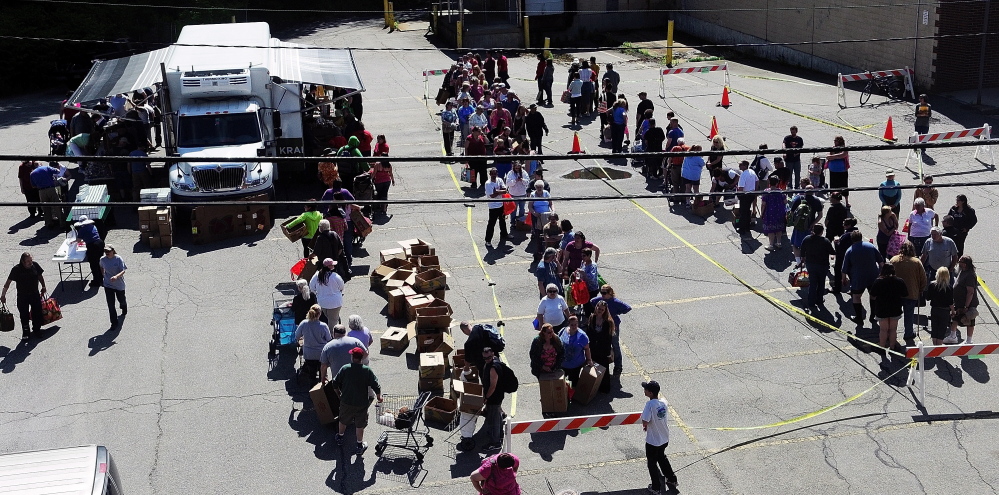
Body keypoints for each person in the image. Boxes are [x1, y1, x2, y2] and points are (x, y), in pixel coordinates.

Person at [331, 347, 382, 453]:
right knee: (360, 423)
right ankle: (359, 445)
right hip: (361, 403)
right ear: (362, 358)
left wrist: (338, 393)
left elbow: (334, 382)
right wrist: (378, 396)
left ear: (352, 357)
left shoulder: (345, 368)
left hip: (346, 401)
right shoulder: (366, 370)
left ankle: (340, 437)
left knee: (343, 419)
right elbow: (375, 384)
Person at [641, 380, 678, 494]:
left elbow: (645, 420)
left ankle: (656, 487)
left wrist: (645, 425)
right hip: (664, 438)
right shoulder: (663, 402)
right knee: (662, 458)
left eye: (646, 389)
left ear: (650, 393)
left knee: (652, 463)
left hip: (653, 441)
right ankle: (672, 479)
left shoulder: (650, 404)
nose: (644, 390)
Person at [842, 231, 885, 326]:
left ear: (852, 239)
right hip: (873, 276)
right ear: (861, 237)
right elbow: (881, 262)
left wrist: (843, 279)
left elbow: (844, 268)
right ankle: (873, 316)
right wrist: (881, 274)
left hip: (858, 278)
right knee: (873, 296)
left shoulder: (850, 250)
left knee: (856, 297)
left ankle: (859, 318)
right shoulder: (871, 246)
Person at [1, 252, 47, 340]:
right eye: (28, 261)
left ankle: (37, 330)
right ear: (22, 261)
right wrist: (3, 295)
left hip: (34, 294)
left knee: (37, 313)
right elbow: (7, 283)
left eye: (31, 260)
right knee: (24, 315)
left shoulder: (35, 265)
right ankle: (26, 332)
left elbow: (40, 276)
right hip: (23, 296)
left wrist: (43, 286)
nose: (30, 263)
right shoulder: (16, 269)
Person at [589, 284, 631, 374]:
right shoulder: (600, 301)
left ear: (610, 293)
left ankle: (618, 366)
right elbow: (592, 301)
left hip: (613, 326)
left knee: (615, 346)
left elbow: (627, 308)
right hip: (603, 327)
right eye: (601, 292)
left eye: (604, 293)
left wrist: (616, 313)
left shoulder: (615, 301)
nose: (602, 294)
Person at [890, 241, 927, 343]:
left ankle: (893, 333)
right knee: (909, 315)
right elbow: (923, 278)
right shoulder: (916, 262)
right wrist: (920, 289)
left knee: (894, 316)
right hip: (911, 293)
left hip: (895, 294)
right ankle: (908, 334)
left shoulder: (894, 260)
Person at [869, 263, 909, 357]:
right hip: (895, 308)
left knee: (883, 330)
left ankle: (882, 348)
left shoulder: (878, 281)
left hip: (882, 309)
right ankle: (892, 347)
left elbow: (872, 296)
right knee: (893, 329)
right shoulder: (899, 281)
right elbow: (905, 294)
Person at [798, 224, 835, 309]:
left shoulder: (807, 239)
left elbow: (802, 250)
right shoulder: (825, 241)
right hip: (823, 265)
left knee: (812, 283)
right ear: (822, 232)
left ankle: (811, 301)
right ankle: (819, 300)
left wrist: (802, 260)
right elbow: (832, 252)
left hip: (811, 265)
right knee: (821, 283)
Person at [945, 256, 980, 344]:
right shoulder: (962, 271)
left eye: (960, 261)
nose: (958, 263)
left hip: (968, 304)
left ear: (965, 264)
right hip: (959, 302)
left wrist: (966, 306)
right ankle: (953, 336)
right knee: (955, 319)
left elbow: (970, 292)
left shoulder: (970, 275)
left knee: (970, 320)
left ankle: (969, 340)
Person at [479, 346, 507, 451]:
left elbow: (493, 386)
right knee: (497, 416)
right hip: (497, 395)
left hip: (494, 396)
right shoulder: (493, 362)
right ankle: (499, 433)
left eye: (489, 357)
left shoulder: (493, 368)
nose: (487, 359)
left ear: (493, 354)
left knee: (493, 419)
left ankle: (495, 443)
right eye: (485, 358)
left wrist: (486, 397)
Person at [788, 183, 824, 264]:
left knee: (795, 244)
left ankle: (798, 261)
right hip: (809, 226)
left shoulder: (799, 199)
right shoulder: (816, 200)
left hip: (799, 226)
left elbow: (792, 212)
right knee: (808, 245)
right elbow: (820, 215)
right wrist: (813, 224)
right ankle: (807, 261)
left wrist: (795, 221)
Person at [295, 304, 332, 382]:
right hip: (321, 354)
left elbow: (297, 335)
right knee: (322, 373)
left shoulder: (304, 323)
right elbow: (329, 339)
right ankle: (322, 387)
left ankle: (312, 389)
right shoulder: (323, 326)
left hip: (309, 354)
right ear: (320, 314)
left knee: (312, 374)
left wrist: (302, 339)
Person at [586, 300, 615, 393]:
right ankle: (594, 386)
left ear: (605, 311)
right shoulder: (592, 317)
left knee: (604, 368)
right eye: (599, 308)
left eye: (602, 310)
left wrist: (607, 352)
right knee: (593, 367)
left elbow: (609, 338)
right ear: (596, 307)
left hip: (603, 349)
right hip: (593, 347)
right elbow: (589, 331)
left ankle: (604, 388)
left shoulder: (608, 322)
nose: (600, 311)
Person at [98, 244, 127, 327]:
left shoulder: (118, 259)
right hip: (108, 285)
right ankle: (114, 323)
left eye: (108, 251)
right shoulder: (102, 259)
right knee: (111, 305)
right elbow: (101, 266)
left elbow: (123, 270)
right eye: (105, 251)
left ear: (113, 251)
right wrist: (103, 275)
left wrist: (116, 276)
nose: (107, 252)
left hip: (119, 284)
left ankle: (124, 307)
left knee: (121, 300)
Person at [309, 258, 345, 325]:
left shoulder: (317, 275)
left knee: (326, 318)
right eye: (332, 265)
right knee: (333, 320)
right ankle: (332, 334)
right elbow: (342, 287)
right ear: (329, 266)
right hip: (335, 303)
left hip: (322, 302)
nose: (334, 266)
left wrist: (317, 293)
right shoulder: (335, 276)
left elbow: (311, 287)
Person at [559, 315, 592, 387]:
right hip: (563, 364)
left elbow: (587, 349)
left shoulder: (582, 336)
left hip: (575, 366)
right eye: (572, 325)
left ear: (578, 323)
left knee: (573, 384)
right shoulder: (563, 331)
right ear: (568, 324)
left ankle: (572, 397)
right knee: (562, 384)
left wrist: (589, 360)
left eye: (575, 324)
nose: (574, 326)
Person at [29, 161, 65, 228]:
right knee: (57, 205)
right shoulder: (46, 168)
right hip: (51, 189)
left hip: (41, 192)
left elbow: (33, 186)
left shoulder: (32, 173)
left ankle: (49, 223)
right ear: (41, 164)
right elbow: (57, 171)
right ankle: (62, 223)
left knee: (46, 208)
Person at [924, 267, 954, 345]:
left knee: (934, 329)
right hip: (945, 311)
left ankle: (934, 347)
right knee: (942, 330)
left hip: (935, 309)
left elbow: (928, 298)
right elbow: (951, 302)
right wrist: (953, 311)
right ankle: (938, 348)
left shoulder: (932, 285)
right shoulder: (949, 288)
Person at [73, 215, 105, 288]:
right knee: (99, 262)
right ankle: (101, 278)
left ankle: (96, 281)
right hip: (100, 243)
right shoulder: (93, 226)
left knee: (93, 264)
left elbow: (79, 240)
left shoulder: (82, 229)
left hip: (92, 246)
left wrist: (72, 242)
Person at [760, 176, 787, 250]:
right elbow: (785, 202)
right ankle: (779, 243)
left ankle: (771, 245)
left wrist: (762, 213)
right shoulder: (781, 191)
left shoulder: (766, 191)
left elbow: (763, 204)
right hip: (780, 212)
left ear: (769, 182)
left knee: (770, 229)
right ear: (777, 183)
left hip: (770, 212)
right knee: (779, 227)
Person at [484, 168, 508, 245]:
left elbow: (505, 191)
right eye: (492, 174)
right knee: (491, 224)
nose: (494, 175)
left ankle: (504, 234)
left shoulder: (499, 180)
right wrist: (500, 192)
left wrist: (497, 191)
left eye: (495, 173)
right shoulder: (488, 183)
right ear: (490, 174)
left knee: (502, 221)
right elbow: (492, 195)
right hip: (493, 207)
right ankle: (488, 240)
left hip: (501, 205)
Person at [371, 135, 394, 215]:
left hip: (379, 181)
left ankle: (381, 206)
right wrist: (393, 181)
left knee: (379, 193)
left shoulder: (377, 164)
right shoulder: (389, 165)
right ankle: (384, 209)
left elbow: (374, 173)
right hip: (387, 181)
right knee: (385, 194)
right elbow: (391, 173)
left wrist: (371, 179)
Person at [825, 136, 850, 206]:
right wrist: (835, 156)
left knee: (844, 186)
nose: (834, 142)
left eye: (836, 141)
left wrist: (833, 157)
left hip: (842, 171)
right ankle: (833, 200)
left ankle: (847, 202)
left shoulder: (844, 148)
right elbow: (828, 156)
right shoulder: (833, 148)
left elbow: (843, 155)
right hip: (833, 171)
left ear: (840, 141)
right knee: (833, 186)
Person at [735, 160, 758, 235]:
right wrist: (755, 190)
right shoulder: (752, 171)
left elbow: (741, 187)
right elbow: (757, 181)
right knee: (747, 210)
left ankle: (742, 228)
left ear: (745, 166)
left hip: (745, 195)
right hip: (751, 194)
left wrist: (738, 195)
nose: (739, 166)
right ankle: (747, 226)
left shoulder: (743, 175)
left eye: (741, 165)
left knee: (743, 211)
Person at [505, 162, 529, 228]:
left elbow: (527, 182)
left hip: (522, 194)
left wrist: (522, 180)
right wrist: (515, 180)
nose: (517, 169)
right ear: (514, 167)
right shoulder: (510, 173)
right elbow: (508, 183)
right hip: (513, 194)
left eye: (519, 168)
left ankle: (520, 222)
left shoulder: (524, 172)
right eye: (516, 168)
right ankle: (512, 222)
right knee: (513, 210)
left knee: (522, 210)